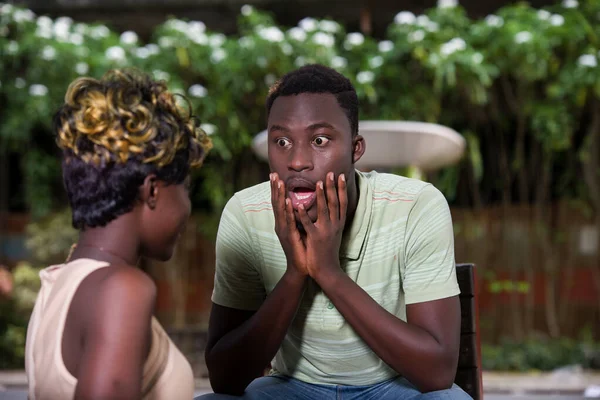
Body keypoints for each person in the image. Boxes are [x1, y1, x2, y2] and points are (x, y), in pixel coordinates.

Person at [199, 64, 471, 399]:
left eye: (320, 140)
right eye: (281, 141)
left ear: (355, 149)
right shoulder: (245, 213)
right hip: (291, 389)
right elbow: (225, 378)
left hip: (395, 388)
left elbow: (437, 372)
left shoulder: (416, 205)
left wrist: (328, 272)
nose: (297, 161)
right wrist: (295, 273)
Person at [25, 69, 211, 400]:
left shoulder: (57, 284)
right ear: (153, 190)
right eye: (185, 186)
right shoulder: (122, 290)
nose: (186, 207)